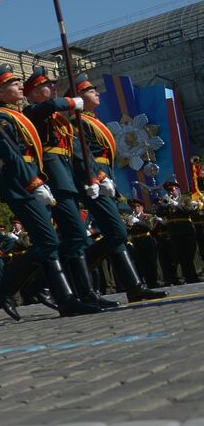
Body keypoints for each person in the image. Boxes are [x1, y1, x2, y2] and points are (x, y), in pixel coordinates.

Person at [0, 65, 92, 319]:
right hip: (20, 186)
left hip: (34, 182)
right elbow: (13, 157)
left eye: (19, 81)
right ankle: (4, 289)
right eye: (13, 83)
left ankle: (64, 299)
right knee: (49, 241)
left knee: (48, 242)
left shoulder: (17, 115)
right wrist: (34, 183)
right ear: (0, 91)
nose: (20, 86)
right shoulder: (0, 118)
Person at [73, 74, 165, 302]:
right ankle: (74, 271)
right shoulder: (78, 122)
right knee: (117, 233)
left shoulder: (93, 120)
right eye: (90, 90)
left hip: (107, 178)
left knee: (116, 235)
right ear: (79, 97)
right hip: (96, 181)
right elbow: (83, 156)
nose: (96, 92)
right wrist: (96, 178)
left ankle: (134, 286)